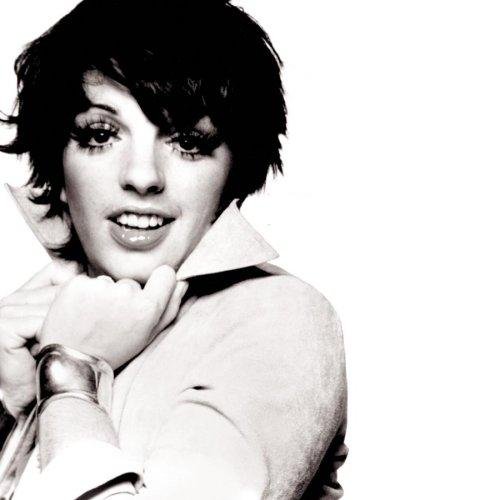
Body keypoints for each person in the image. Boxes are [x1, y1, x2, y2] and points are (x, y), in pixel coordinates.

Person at [0, 0, 348, 498]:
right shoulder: (41, 321)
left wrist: (68, 373)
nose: (143, 176)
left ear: (234, 170)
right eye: (101, 135)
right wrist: (12, 405)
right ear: (57, 160)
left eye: (187, 142)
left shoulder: (279, 317)